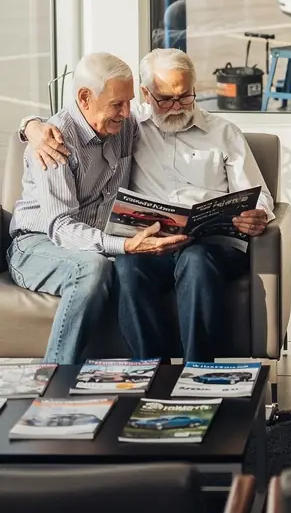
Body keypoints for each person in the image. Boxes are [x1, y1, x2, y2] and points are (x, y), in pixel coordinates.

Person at [23, 49, 275, 361]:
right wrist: (31, 126)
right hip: (148, 243)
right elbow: (80, 116)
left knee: (196, 261)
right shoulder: (131, 126)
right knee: (128, 266)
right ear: (147, 93)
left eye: (185, 97)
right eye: (165, 99)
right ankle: (150, 369)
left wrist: (258, 213)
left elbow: (259, 194)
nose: (175, 107)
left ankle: (198, 371)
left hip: (209, 245)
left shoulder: (221, 133)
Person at [7, 53, 185, 363]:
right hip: (37, 244)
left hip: (92, 243)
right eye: (117, 104)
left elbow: (172, 111)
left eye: (129, 102)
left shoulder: (124, 125)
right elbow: (60, 227)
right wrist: (123, 245)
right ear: (85, 98)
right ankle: (54, 375)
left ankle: (152, 376)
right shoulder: (55, 140)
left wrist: (28, 124)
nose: (127, 112)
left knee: (131, 271)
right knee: (92, 267)